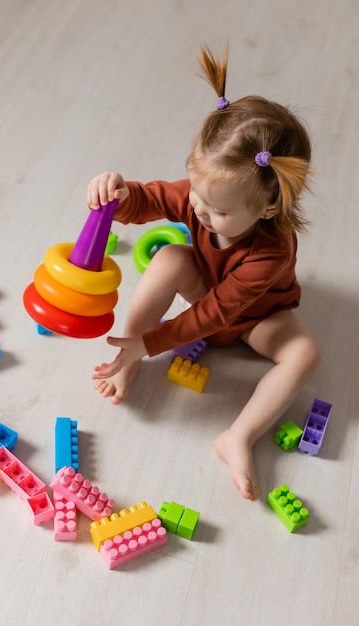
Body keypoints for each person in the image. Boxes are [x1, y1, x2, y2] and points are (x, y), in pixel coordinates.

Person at [86, 45, 321, 501]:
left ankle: (238, 435)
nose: (199, 210)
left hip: (257, 318)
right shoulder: (203, 197)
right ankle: (126, 354)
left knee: (305, 354)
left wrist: (157, 342)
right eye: (196, 193)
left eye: (219, 211)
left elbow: (216, 315)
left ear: (269, 207)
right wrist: (119, 194)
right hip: (207, 291)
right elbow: (152, 198)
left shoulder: (271, 253)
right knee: (171, 257)